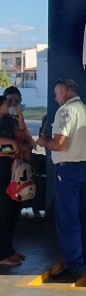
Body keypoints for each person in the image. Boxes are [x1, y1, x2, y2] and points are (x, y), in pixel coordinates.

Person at [36, 78, 86, 282]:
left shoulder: (65, 112)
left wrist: (43, 141)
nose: (55, 98)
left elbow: (59, 144)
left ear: (64, 90)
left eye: (56, 93)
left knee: (68, 219)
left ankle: (74, 265)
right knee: (83, 216)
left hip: (68, 171)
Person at [0, 95, 25, 266]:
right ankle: (2, 254)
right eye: (6, 103)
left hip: (12, 168)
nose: (10, 106)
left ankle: (8, 249)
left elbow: (22, 135)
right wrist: (9, 142)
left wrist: (20, 117)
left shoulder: (9, 121)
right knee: (2, 210)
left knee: (12, 208)